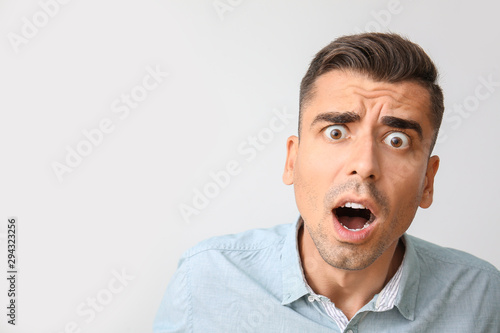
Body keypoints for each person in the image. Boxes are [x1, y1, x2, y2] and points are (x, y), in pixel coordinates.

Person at [153, 33, 500, 332]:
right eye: (336, 132)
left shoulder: (482, 298)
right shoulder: (204, 282)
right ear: (292, 160)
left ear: (428, 181)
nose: (364, 165)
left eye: (397, 140)